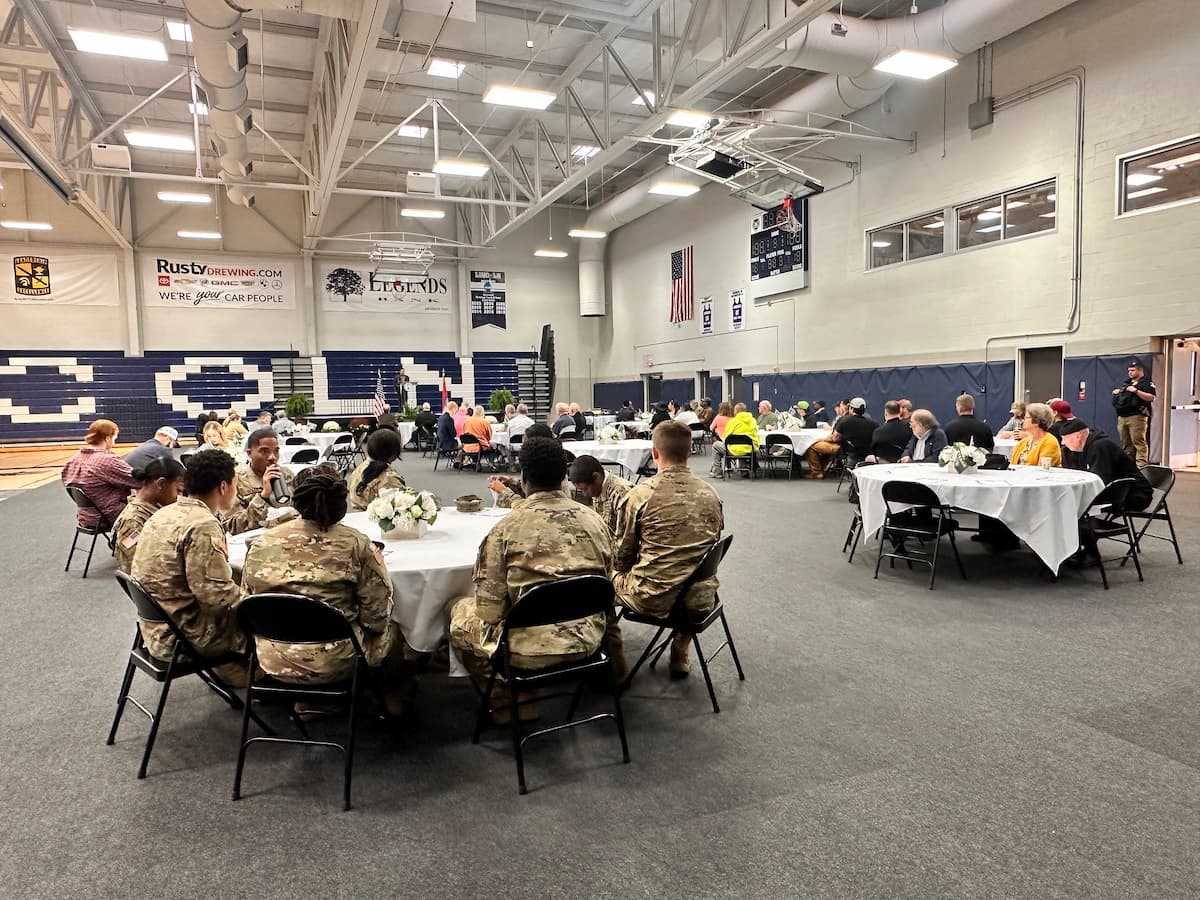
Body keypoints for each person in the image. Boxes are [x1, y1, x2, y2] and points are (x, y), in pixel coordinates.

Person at [449, 436, 614, 700]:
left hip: (526, 649)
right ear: (563, 477)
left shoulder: (504, 531)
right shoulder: (595, 521)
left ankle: (506, 698)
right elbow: (608, 582)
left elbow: (489, 612)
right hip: (588, 637)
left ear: (523, 477)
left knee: (457, 609)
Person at [241, 465, 407, 701]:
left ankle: (306, 701)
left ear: (297, 501)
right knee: (398, 630)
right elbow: (377, 617)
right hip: (337, 660)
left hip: (272, 657)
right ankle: (394, 703)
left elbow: (246, 602)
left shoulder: (261, 543)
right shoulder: (356, 545)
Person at [611, 421, 724, 678]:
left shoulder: (640, 496)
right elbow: (710, 545)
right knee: (688, 570)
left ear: (655, 453)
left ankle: (614, 667)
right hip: (700, 599)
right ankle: (680, 648)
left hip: (653, 596)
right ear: (689, 452)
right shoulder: (711, 494)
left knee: (600, 582)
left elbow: (621, 559)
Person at [131, 450, 245, 661]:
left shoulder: (163, 513)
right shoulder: (203, 524)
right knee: (272, 622)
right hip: (184, 639)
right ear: (223, 486)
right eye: (235, 486)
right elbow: (215, 598)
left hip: (154, 630)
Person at [112, 457, 186, 574]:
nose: (180, 497)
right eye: (178, 490)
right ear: (161, 483)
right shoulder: (133, 521)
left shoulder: (155, 508)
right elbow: (135, 565)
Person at [61, 419, 140, 530]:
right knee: (151, 511)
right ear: (107, 438)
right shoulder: (107, 460)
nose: (115, 442)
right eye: (114, 437)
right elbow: (138, 480)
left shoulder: (73, 460)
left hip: (86, 516)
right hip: (109, 516)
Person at [1059, 419, 1153, 511]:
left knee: (1071, 503)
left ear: (1078, 436)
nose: (1063, 443)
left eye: (1065, 438)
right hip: (1121, 490)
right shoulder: (1089, 447)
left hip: (1135, 494)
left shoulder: (1100, 447)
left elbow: (1099, 480)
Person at [221, 427, 294, 534]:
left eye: (276, 451)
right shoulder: (235, 481)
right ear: (249, 453)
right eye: (264, 451)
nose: (272, 457)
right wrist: (263, 496)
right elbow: (232, 526)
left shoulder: (287, 475)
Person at [805, 398, 878, 477]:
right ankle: (821, 470)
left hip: (845, 450)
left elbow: (835, 438)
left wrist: (822, 439)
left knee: (811, 446)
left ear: (851, 408)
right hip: (867, 452)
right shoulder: (873, 423)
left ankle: (817, 473)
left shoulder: (845, 420)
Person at [568, 455, 632, 535]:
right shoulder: (598, 488)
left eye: (585, 489)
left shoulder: (621, 493)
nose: (585, 494)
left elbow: (626, 537)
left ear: (596, 477)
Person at [347, 428, 407, 509]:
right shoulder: (389, 479)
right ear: (394, 452)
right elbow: (402, 507)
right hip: (378, 519)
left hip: (357, 516)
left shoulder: (359, 469)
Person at [1112, 359, 1156, 466]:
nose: (1130, 372)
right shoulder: (1126, 383)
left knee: (1138, 442)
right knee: (1126, 443)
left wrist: (1136, 391)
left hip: (1137, 416)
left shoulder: (1146, 383)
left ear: (1140, 371)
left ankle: (1141, 465)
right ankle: (1128, 465)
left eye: (1133, 370)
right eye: (1129, 370)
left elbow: (1151, 398)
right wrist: (1119, 392)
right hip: (1123, 416)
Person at [710, 402, 759, 477]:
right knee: (742, 445)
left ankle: (717, 470)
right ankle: (743, 469)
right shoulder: (753, 420)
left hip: (733, 450)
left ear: (736, 411)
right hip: (749, 449)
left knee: (716, 445)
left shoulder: (732, 422)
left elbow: (726, 438)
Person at [1010, 402, 1061, 467]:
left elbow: (1042, 470)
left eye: (1026, 418)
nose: (1023, 421)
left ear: (1037, 421)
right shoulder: (1023, 442)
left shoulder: (1050, 442)